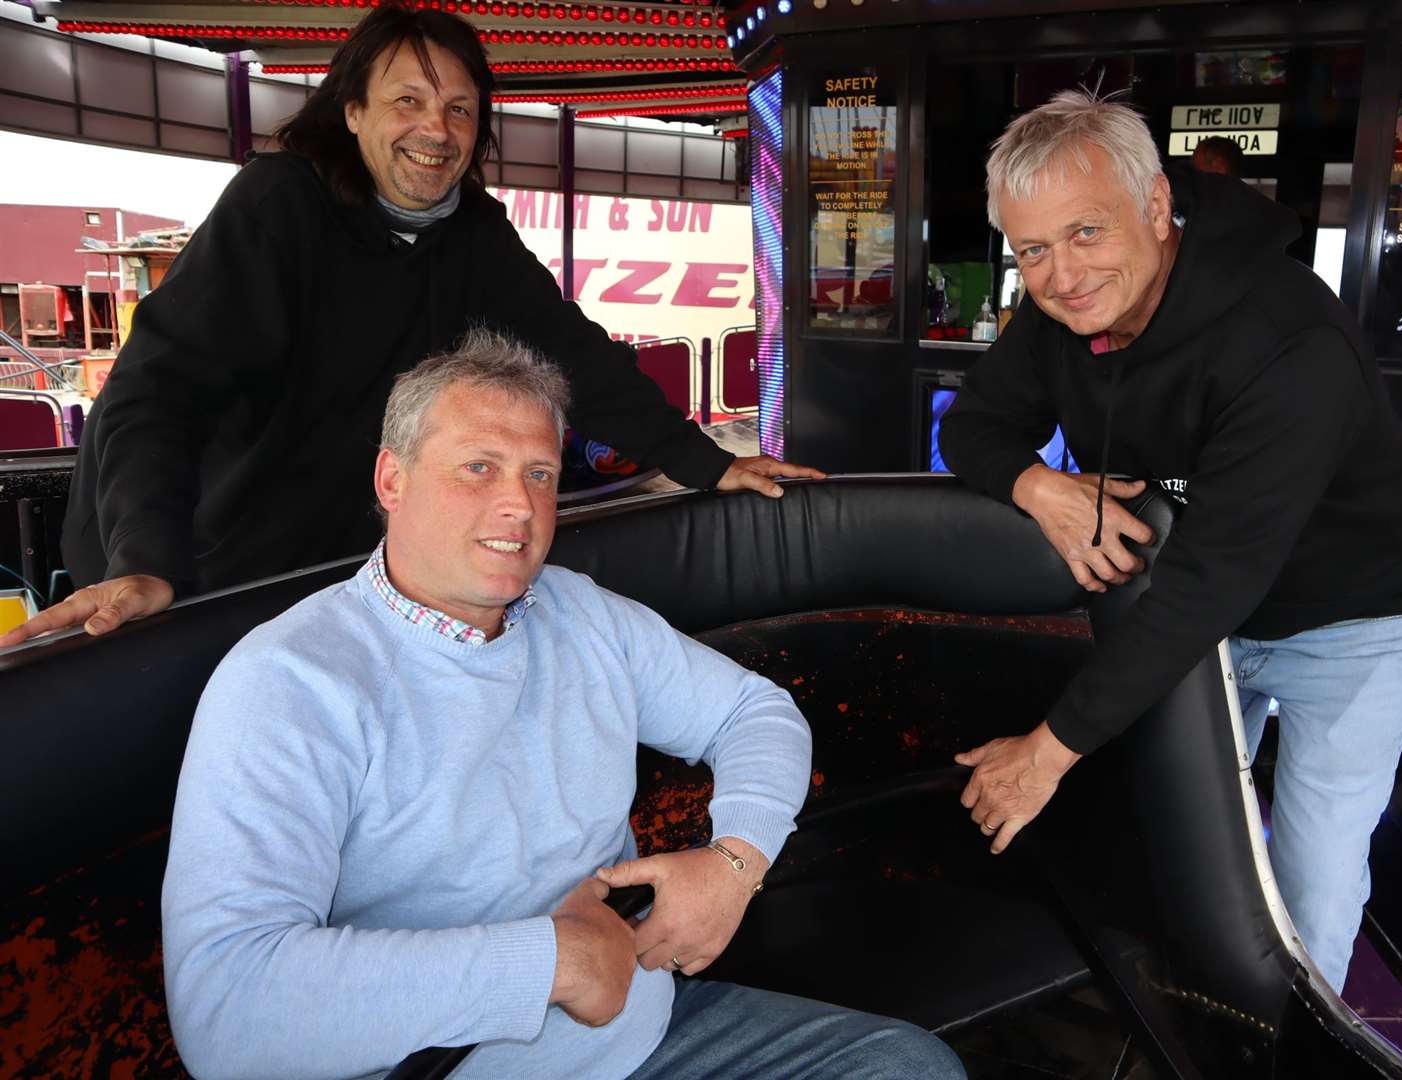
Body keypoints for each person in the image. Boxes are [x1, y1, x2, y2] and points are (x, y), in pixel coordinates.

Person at [160, 330, 964, 1080]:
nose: (518, 504)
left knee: (911, 1067)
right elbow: (226, 1006)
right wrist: (556, 961)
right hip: (461, 1067)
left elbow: (754, 713)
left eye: (538, 474)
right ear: (391, 480)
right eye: (479, 466)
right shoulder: (291, 680)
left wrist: (735, 861)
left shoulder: (575, 610)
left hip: (652, 1035)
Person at [0, 3, 820, 649]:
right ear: (352, 112)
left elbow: (571, 353)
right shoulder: (280, 205)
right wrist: (144, 561)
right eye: (408, 101)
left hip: (349, 556)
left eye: (460, 109)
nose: (437, 129)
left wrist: (707, 464)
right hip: (209, 552)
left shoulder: (473, 231)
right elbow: (159, 391)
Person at [941, 89, 1402, 993]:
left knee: (1312, 876)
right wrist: (1041, 486)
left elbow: (1218, 575)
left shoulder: (1286, 337)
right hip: (1199, 616)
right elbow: (973, 424)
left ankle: (1292, 1053)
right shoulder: (1061, 313)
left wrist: (1046, 754)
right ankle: (1184, 1008)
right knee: (1171, 832)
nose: (1061, 275)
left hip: (1350, 615)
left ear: (1158, 206)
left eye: (1086, 232)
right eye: (1034, 249)